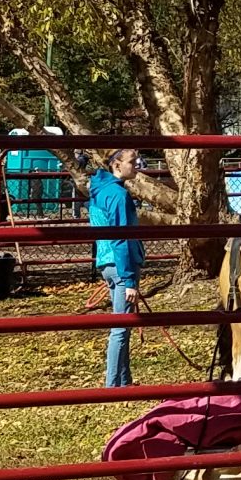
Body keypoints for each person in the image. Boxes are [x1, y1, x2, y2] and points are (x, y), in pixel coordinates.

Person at [90, 149, 146, 389]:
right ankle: (112, 385)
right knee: (121, 328)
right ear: (116, 165)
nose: (137, 165)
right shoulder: (118, 195)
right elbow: (121, 237)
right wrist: (129, 278)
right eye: (132, 162)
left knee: (124, 323)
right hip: (120, 264)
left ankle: (124, 381)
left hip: (106, 262)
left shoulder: (100, 190)